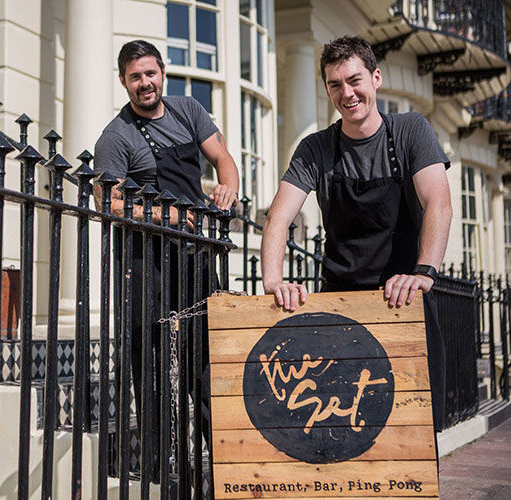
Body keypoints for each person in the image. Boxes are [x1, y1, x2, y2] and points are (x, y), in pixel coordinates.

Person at [260, 36, 452, 431]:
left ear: (376, 78)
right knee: (344, 430)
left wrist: (424, 272)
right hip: (342, 306)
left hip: (407, 300)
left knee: (415, 429)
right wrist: (273, 281)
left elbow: (439, 203)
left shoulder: (411, 130)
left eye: (354, 80)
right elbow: (278, 218)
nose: (346, 93)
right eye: (334, 84)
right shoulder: (315, 148)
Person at [93, 39, 239, 475]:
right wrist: (163, 213)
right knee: (149, 358)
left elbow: (222, 158)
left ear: (163, 73)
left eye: (150, 73)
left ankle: (229, 457)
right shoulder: (115, 137)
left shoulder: (188, 110)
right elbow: (106, 204)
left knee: (207, 357)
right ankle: (160, 465)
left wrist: (227, 186)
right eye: (135, 76)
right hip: (143, 261)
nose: (144, 83)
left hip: (194, 257)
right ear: (123, 82)